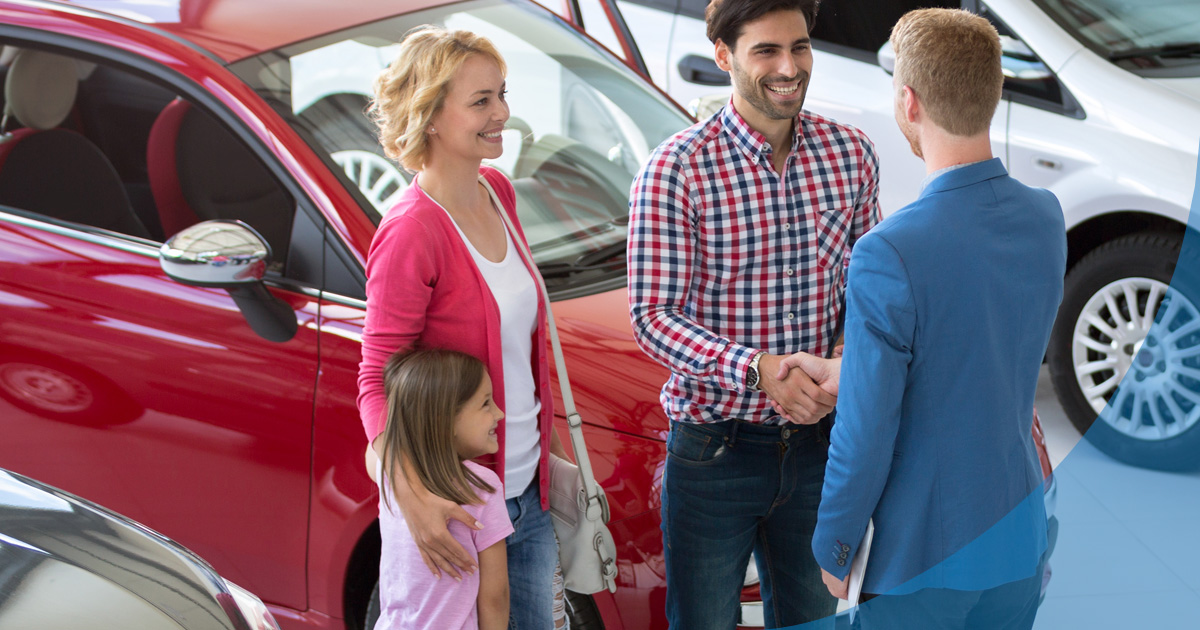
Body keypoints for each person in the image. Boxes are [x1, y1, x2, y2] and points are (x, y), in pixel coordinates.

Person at [784, 8, 1067, 629]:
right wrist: (852, 367)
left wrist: (834, 541)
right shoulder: (1045, 218)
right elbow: (978, 346)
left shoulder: (889, 251)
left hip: (922, 559)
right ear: (993, 94)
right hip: (1018, 534)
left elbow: (867, 428)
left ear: (908, 102)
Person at [626, 0, 881, 626]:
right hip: (715, 453)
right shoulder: (677, 170)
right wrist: (758, 369)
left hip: (823, 447)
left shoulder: (851, 156)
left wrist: (842, 365)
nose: (789, 67)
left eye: (799, 47)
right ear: (724, 57)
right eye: (766, 50)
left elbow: (869, 295)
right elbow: (652, 317)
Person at [357, 26, 571, 629]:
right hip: (463, 511)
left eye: (503, 94)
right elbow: (377, 379)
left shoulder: (496, 189)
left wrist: (554, 466)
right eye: (481, 101)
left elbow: (523, 356)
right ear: (430, 116)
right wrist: (411, 499)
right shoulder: (410, 232)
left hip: (527, 494)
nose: (503, 113)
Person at [375, 349, 512, 630]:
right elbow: (495, 596)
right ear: (446, 419)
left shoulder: (387, 475)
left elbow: (377, 446)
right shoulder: (482, 488)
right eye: (486, 404)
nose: (499, 413)